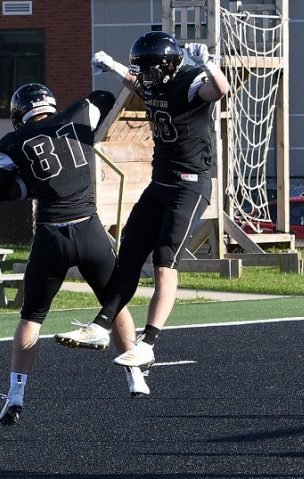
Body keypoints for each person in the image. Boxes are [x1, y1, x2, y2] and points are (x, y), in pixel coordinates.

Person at [54, 32, 230, 369]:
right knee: (130, 253)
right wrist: (110, 64)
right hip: (159, 183)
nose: (145, 76)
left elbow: (219, 90)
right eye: (144, 70)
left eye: (150, 69)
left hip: (189, 187)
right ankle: (101, 326)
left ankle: (148, 342)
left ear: (168, 65)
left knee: (164, 262)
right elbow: (134, 81)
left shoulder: (191, 82)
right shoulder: (153, 82)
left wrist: (209, 63)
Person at [0, 83, 149, 427]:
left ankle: (16, 394)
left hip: (51, 237)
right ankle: (135, 376)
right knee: (115, 303)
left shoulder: (10, 143)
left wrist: (29, 184)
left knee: (31, 317)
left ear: (20, 115)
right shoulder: (78, 114)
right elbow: (105, 98)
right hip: (89, 230)